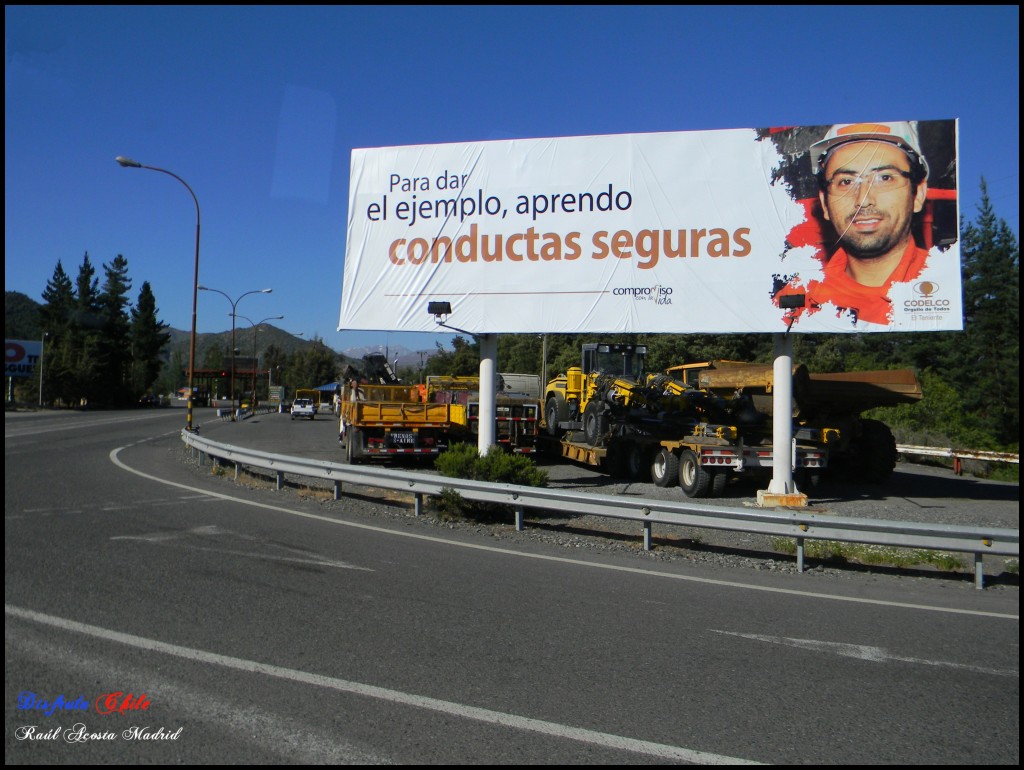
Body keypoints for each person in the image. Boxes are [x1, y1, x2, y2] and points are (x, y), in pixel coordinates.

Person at [798, 121, 931, 325]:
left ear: (918, 194)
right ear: (825, 203)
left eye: (884, 178)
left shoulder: (944, 283)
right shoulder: (799, 299)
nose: (863, 199)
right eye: (846, 182)